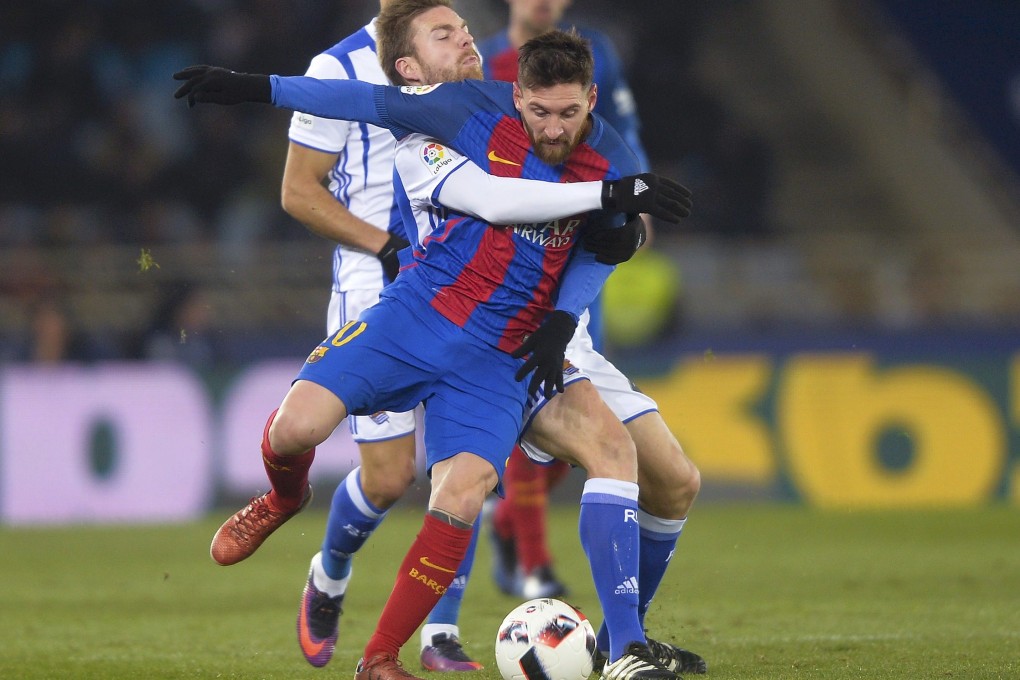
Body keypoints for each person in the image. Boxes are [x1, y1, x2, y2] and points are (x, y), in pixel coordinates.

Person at [173, 6, 694, 680]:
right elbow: (493, 196)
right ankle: (287, 503)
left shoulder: (578, 139)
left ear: (590, 100)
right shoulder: (445, 120)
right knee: (307, 434)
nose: (554, 128)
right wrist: (256, 87)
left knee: (470, 487)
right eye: (445, 34)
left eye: (569, 113)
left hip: (508, 344)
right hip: (415, 311)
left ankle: (397, 654)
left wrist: (579, 291)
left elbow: (600, 243)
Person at [277, 1, 482, 670]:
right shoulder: (335, 67)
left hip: (465, 280)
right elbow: (300, 191)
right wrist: (387, 244)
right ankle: (330, 573)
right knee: (391, 477)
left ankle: (440, 634)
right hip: (378, 284)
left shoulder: (462, 54)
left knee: (465, 462)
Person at [478, 0, 655, 601]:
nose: (543, 3)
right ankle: (534, 564)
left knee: (571, 438)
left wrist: (639, 191)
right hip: (517, 268)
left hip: (579, 260)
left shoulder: (597, 52)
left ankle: (509, 523)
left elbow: (623, 135)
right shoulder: (483, 62)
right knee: (543, 415)